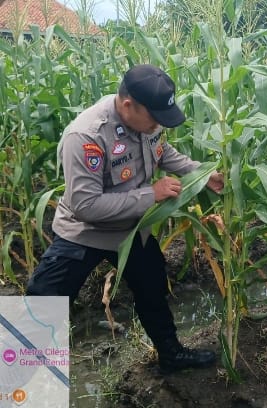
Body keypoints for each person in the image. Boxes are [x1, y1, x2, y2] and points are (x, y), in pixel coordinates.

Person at [26, 64, 223, 374]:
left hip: (130, 230)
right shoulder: (87, 134)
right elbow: (85, 206)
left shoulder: (147, 122)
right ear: (128, 105)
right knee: (44, 300)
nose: (158, 125)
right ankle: (15, 377)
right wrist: (151, 194)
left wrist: (202, 173)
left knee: (153, 287)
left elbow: (162, 151)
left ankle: (171, 355)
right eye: (154, 118)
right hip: (84, 231)